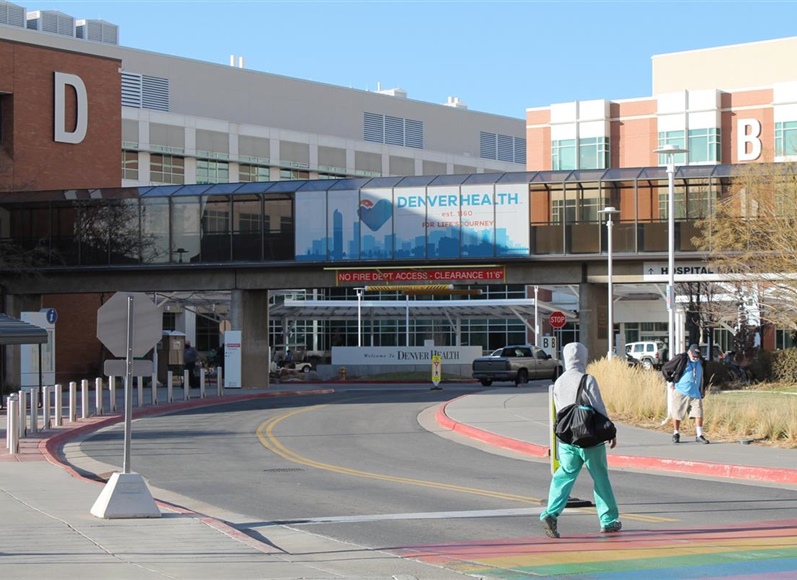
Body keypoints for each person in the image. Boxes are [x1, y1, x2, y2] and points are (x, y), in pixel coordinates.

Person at [539, 342, 621, 539]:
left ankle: (551, 513)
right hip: (590, 437)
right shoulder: (588, 379)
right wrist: (610, 432)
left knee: (564, 476)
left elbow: (560, 410)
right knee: (600, 478)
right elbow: (598, 406)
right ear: (583, 358)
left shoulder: (558, 381)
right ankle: (608, 520)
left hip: (568, 439)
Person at [661, 343, 709, 444]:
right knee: (677, 413)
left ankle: (699, 435)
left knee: (699, 413)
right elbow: (666, 368)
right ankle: (676, 433)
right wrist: (671, 380)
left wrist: (703, 387)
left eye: (697, 356)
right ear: (689, 353)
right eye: (694, 356)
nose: (695, 358)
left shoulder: (701, 362)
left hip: (695, 393)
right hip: (681, 391)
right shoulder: (682, 358)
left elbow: (704, 375)